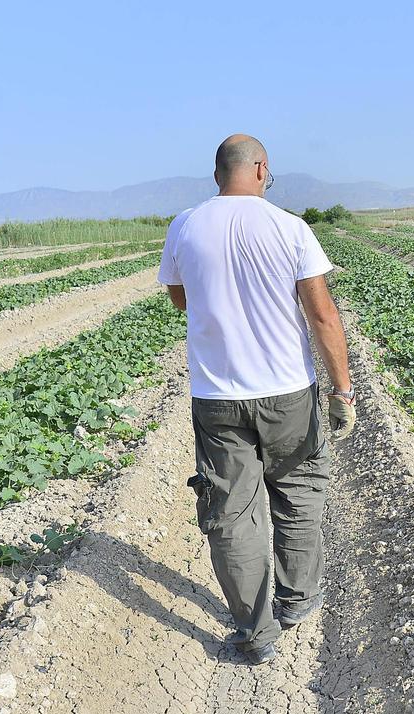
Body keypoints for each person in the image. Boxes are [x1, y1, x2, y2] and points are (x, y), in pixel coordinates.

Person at [157, 133, 356, 665]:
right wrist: (342, 389)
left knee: (232, 514)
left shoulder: (185, 226)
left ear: (217, 174)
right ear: (262, 170)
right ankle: (297, 601)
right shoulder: (290, 228)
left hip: (217, 398)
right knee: (298, 495)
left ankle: (255, 632)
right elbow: (321, 315)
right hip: (289, 391)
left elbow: (182, 299)